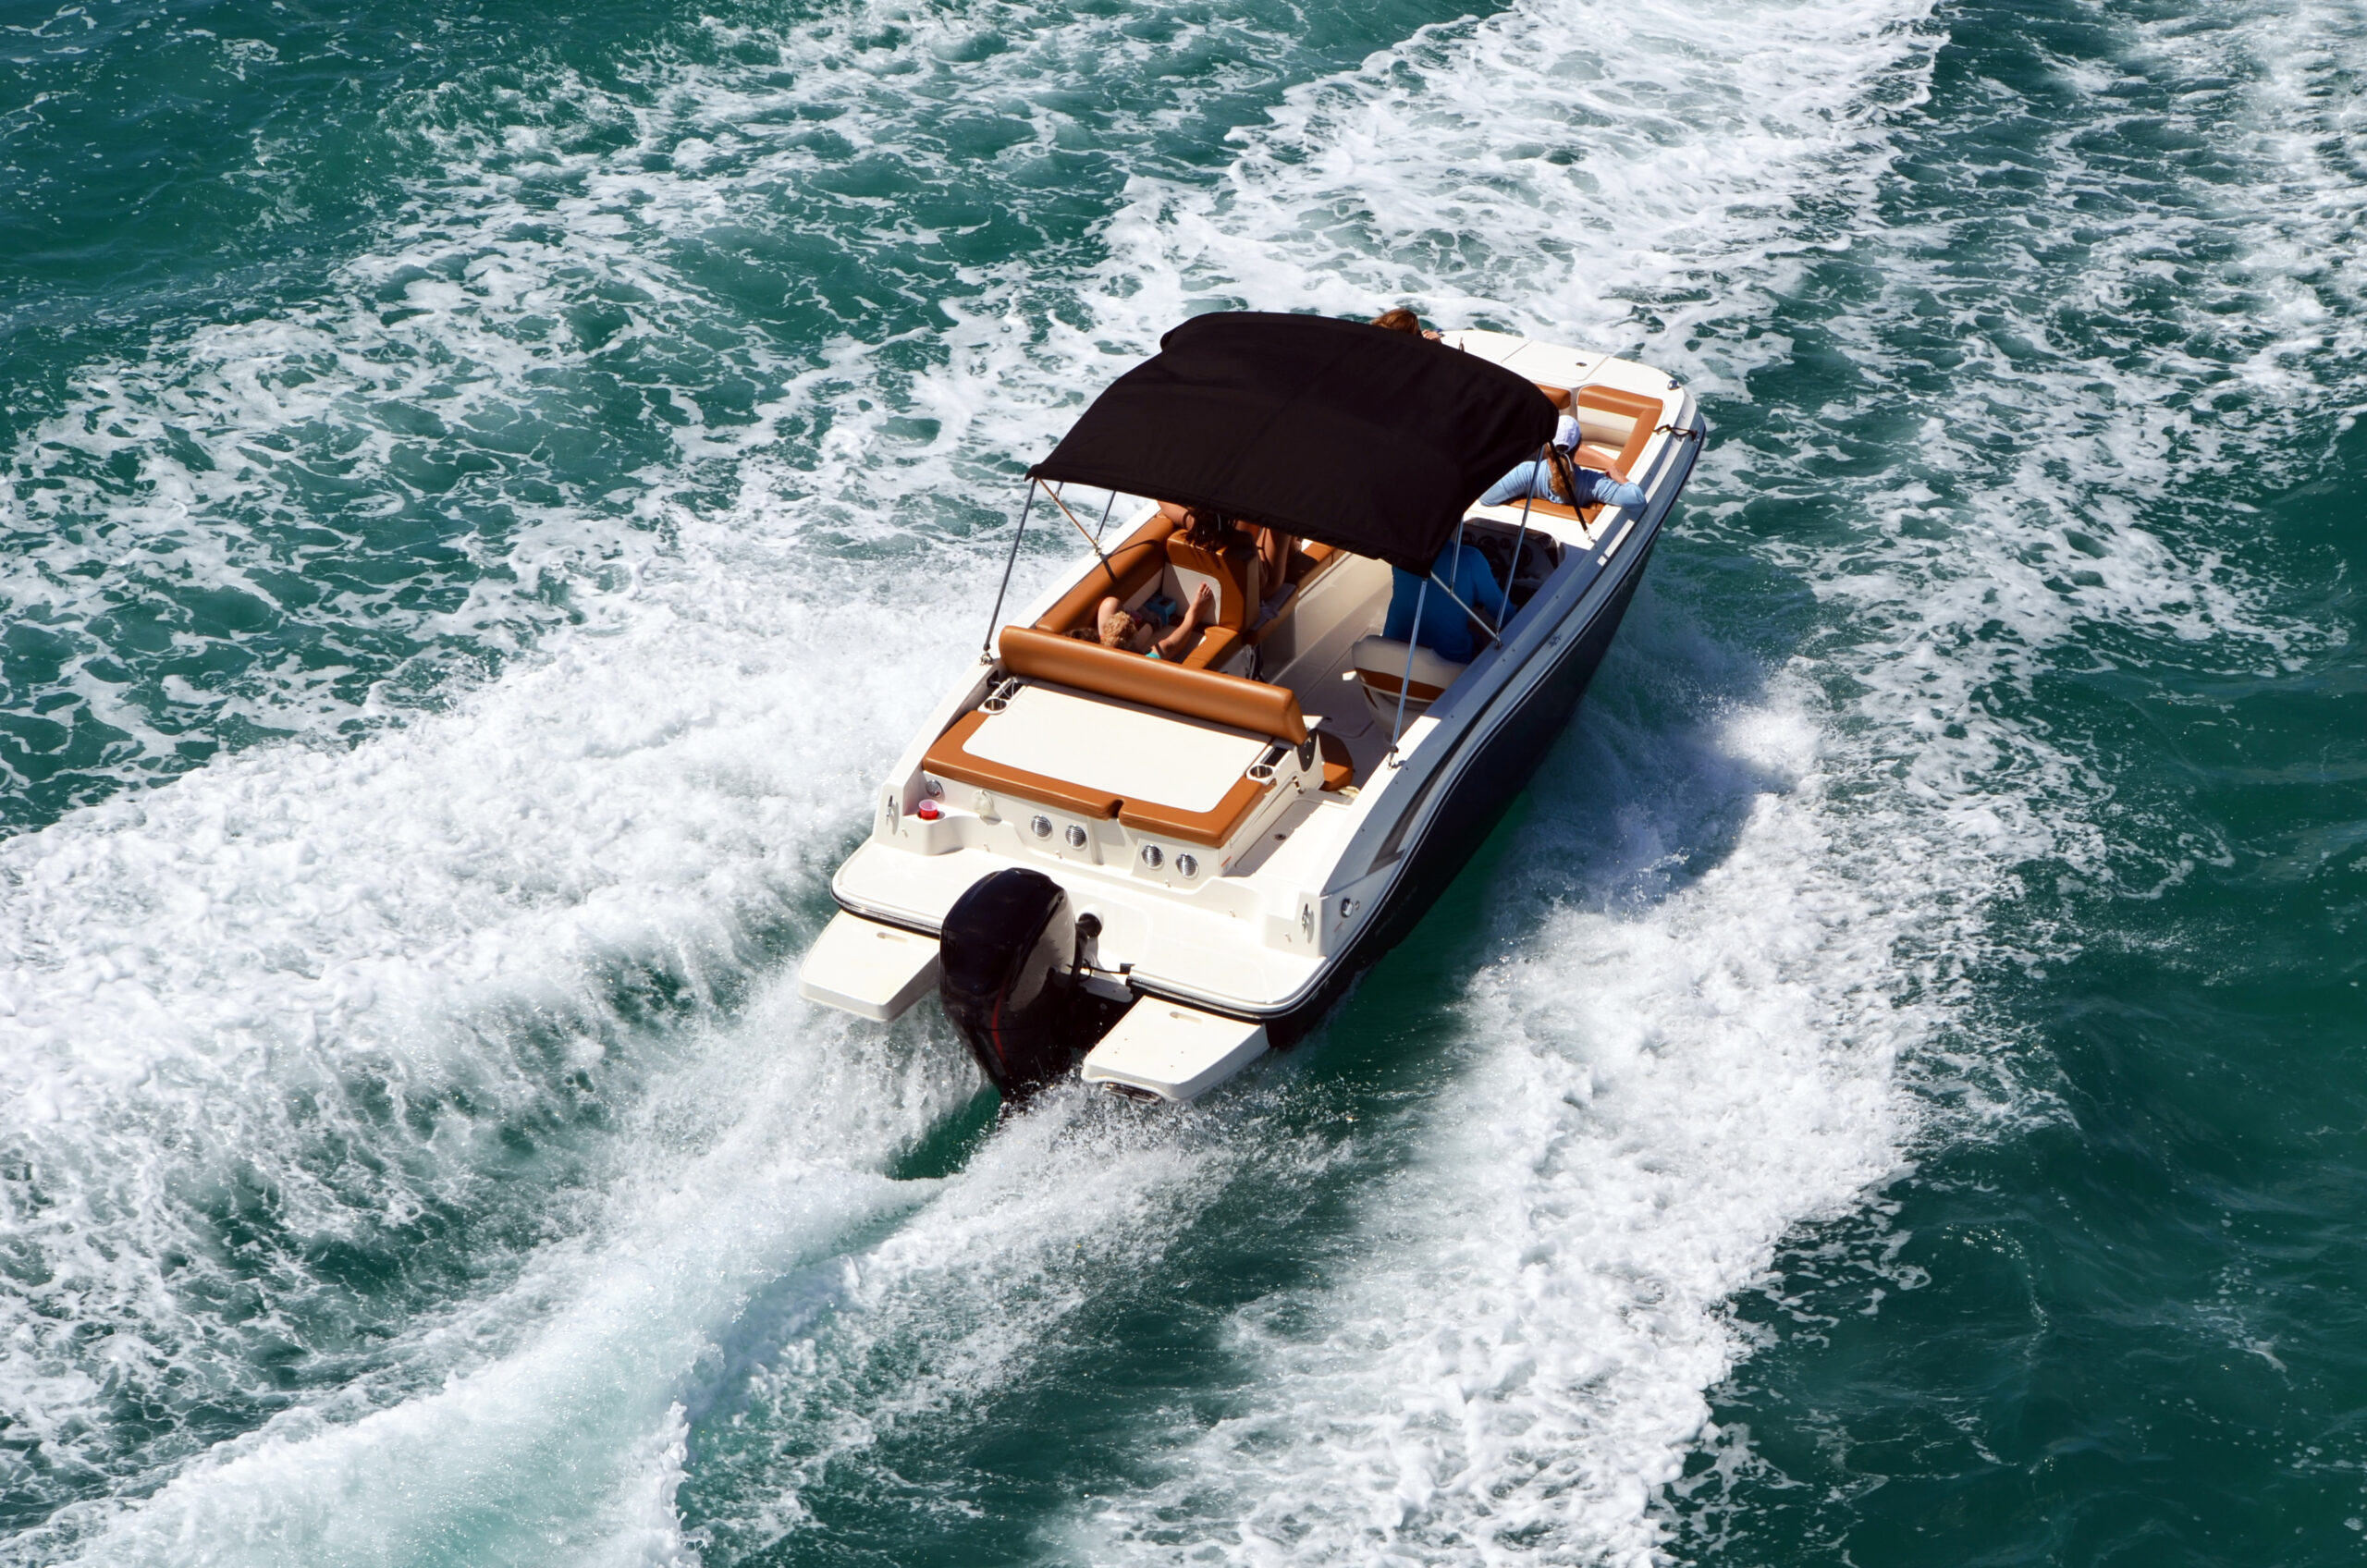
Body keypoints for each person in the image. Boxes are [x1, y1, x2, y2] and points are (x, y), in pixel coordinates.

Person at [1383, 534, 1508, 665]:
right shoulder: (1472, 558)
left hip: (1391, 653)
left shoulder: (1401, 552)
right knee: (1482, 633)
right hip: (1447, 664)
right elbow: (1504, 614)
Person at [1481, 419, 1647, 510]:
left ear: (1546, 445)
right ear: (1579, 446)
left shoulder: (1526, 473)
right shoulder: (1592, 483)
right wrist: (1621, 478)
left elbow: (1487, 498)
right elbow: (1637, 500)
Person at [1094, 582, 1216, 661]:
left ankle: (1125, 640)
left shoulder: (1093, 658)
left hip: (1109, 657)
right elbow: (1170, 644)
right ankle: (1191, 618)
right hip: (1138, 669)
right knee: (1167, 647)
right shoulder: (1145, 662)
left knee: (1111, 604)